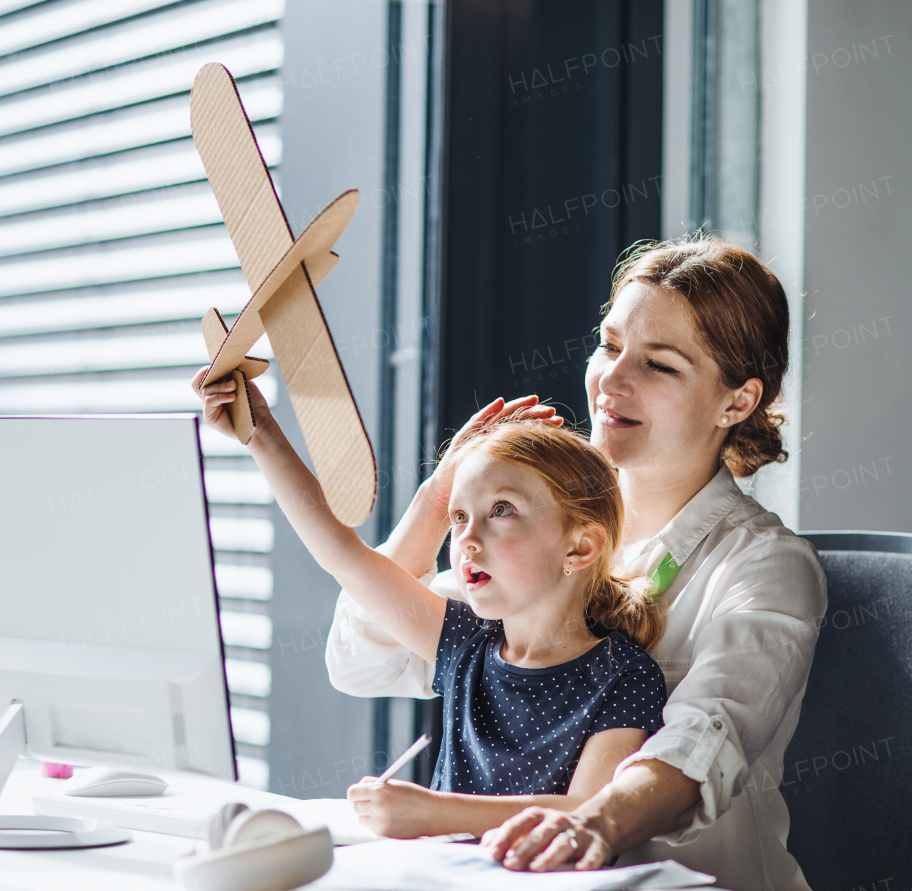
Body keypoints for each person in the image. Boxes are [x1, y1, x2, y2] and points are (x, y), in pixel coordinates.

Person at [325, 237, 826, 891]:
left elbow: (697, 747)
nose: (612, 382)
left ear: (737, 402)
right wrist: (436, 500)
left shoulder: (766, 568)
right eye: (611, 346)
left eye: (660, 366)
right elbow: (360, 659)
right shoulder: (542, 529)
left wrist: (595, 822)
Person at [193, 363, 670, 834]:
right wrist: (260, 431)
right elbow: (344, 554)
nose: (466, 537)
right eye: (458, 516)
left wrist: (434, 815)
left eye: (500, 510)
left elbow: (588, 808)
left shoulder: (624, 675)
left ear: (580, 547)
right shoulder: (467, 642)